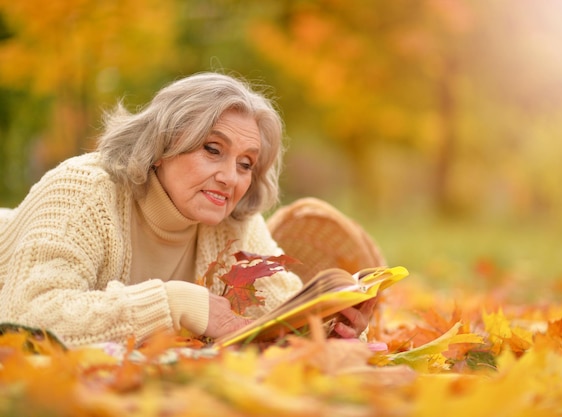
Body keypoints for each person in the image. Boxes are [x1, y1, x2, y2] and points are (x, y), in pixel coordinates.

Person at [0, 72, 374, 348]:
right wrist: (175, 303)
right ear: (161, 145)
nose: (231, 178)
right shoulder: (83, 190)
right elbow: (28, 316)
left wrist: (329, 327)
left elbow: (276, 315)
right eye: (213, 149)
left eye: (246, 163)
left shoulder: (236, 221)